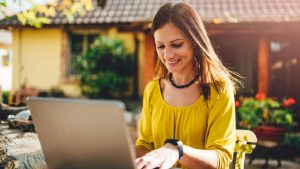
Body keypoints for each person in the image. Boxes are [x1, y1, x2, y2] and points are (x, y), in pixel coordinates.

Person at [135, 2, 240, 169]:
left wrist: (178, 150)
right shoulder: (153, 90)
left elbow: (221, 158)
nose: (167, 55)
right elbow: (146, 145)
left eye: (177, 44)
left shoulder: (219, 89)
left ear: (195, 41)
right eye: (160, 46)